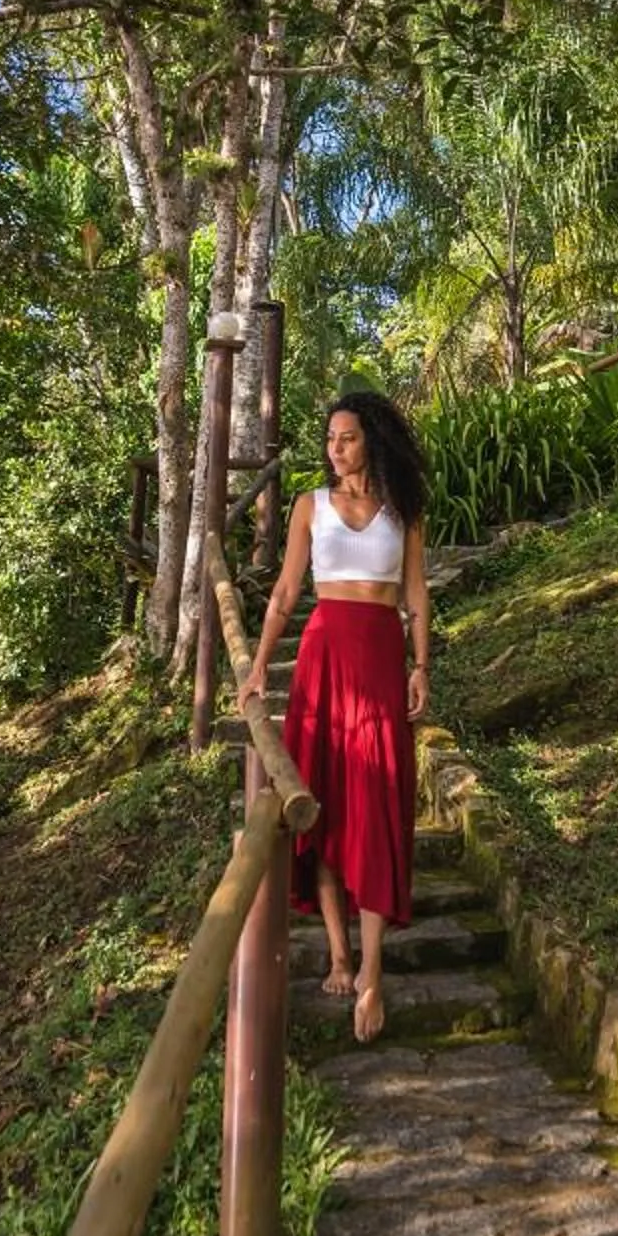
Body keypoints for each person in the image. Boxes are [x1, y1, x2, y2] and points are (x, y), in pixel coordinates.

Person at [238, 388, 430, 1042]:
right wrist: (259, 666)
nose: (336, 449)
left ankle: (372, 970)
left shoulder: (403, 510)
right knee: (320, 803)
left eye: (347, 438)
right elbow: (286, 591)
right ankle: (339, 954)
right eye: (330, 440)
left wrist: (421, 665)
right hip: (322, 656)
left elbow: (415, 594)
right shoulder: (309, 506)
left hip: (378, 657)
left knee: (375, 804)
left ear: (371, 440)